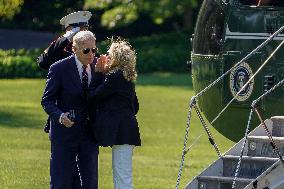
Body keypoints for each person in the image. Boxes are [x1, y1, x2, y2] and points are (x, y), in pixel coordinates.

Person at [41, 31, 99, 189]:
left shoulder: (99, 67)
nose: (91, 54)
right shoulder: (59, 68)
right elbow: (47, 100)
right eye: (86, 50)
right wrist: (60, 116)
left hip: (90, 135)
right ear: (75, 49)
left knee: (90, 183)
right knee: (61, 182)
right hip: (64, 134)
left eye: (94, 49)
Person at [88, 39, 141, 189]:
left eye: (109, 54)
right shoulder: (126, 77)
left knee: (122, 177)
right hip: (126, 131)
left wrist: (98, 74)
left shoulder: (115, 77)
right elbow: (135, 107)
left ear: (116, 58)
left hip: (121, 132)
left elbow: (92, 97)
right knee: (123, 175)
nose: (106, 56)